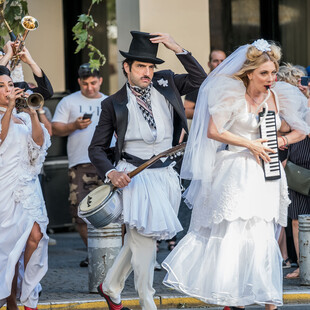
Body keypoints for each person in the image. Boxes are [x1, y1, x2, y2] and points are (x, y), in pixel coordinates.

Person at [162, 39, 310, 310]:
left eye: (273, 73)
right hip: (234, 171)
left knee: (263, 234)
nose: (271, 78)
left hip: (266, 173)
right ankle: (232, 298)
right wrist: (250, 143)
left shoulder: (279, 95)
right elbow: (214, 131)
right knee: (235, 231)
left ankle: (268, 298)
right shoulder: (230, 92)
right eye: (264, 73)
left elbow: (302, 129)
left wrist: (281, 142)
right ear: (250, 72)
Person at [88, 31, 207, 310]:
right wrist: (111, 173)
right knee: (144, 242)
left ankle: (110, 286)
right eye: (141, 66)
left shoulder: (167, 83)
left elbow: (201, 80)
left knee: (141, 238)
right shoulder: (112, 103)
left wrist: (177, 47)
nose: (147, 72)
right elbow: (96, 148)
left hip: (167, 174)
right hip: (134, 175)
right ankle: (147, 301)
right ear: (127, 67)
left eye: (151, 66)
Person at [0, 66, 50, 310]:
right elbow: (1, 136)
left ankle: (28, 296)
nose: (8, 89)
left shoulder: (21, 114)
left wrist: (32, 113)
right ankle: (10, 300)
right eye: (1, 86)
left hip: (28, 188)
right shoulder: (4, 114)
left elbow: (39, 144)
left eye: (9, 84)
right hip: (4, 189)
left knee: (36, 238)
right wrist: (9, 108)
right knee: (9, 249)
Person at [52, 63, 108, 267]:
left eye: (93, 83)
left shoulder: (109, 101)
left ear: (100, 80)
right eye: (85, 84)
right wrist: (73, 126)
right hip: (79, 164)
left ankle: (111, 254)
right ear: (79, 82)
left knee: (115, 212)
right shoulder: (68, 101)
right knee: (80, 213)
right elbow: (55, 129)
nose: (90, 87)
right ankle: (93, 252)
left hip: (107, 164)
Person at [276, 65, 310, 279]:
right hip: (297, 164)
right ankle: (303, 265)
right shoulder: (297, 106)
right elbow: (286, 128)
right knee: (297, 219)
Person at [184, 49, 226, 120]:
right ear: (209, 64)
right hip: (204, 128)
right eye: (216, 61)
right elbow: (186, 111)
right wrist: (207, 113)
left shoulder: (231, 83)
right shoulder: (201, 83)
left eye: (222, 61)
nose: (219, 64)